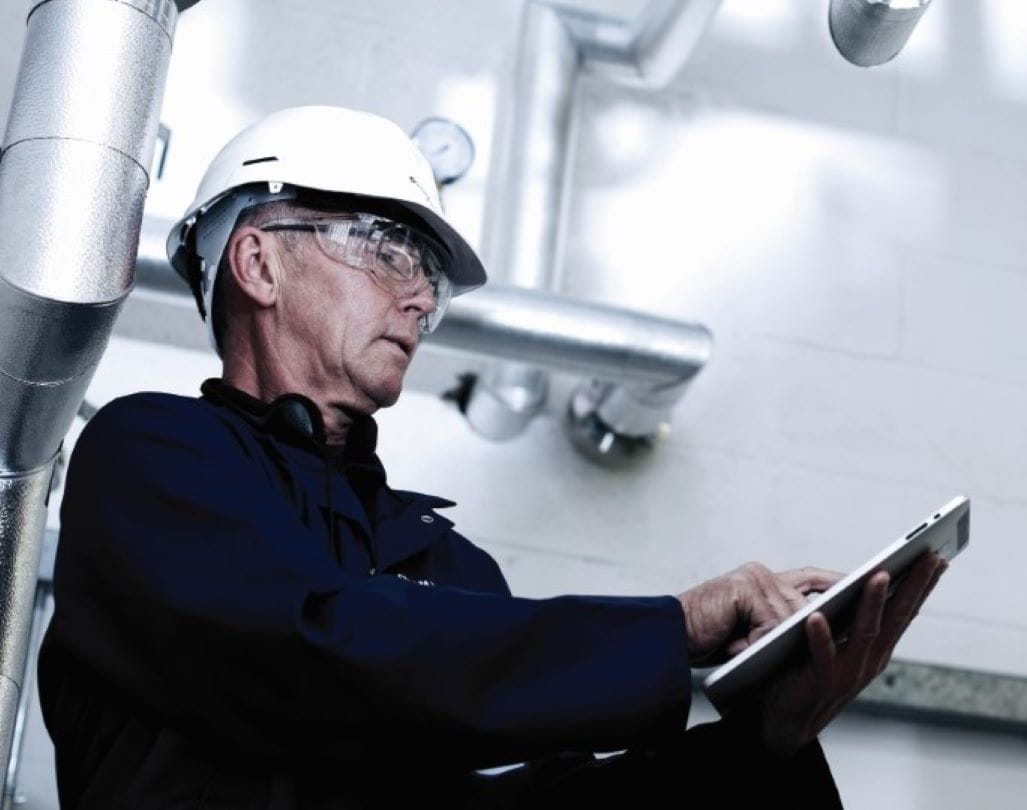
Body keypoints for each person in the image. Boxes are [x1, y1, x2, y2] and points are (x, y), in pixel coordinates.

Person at [38, 106, 947, 809]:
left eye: (427, 281)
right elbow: (314, 653)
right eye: (386, 249)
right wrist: (673, 628)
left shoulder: (443, 565)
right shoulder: (154, 457)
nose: (419, 300)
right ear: (259, 263)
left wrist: (765, 746)